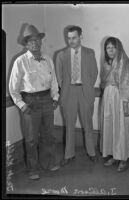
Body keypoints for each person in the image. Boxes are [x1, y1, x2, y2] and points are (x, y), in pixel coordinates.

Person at [9, 24, 60, 180]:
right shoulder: (20, 62)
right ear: (26, 44)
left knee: (49, 135)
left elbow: (54, 81)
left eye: (37, 39)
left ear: (41, 41)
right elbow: (13, 88)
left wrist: (55, 97)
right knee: (31, 139)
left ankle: (49, 163)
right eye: (31, 41)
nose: (35, 43)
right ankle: (33, 169)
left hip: (47, 100)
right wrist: (22, 105)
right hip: (30, 102)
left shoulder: (48, 60)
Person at [56, 26, 98, 165]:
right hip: (68, 93)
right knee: (69, 125)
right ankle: (69, 155)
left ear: (81, 36)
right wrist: (69, 87)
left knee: (88, 124)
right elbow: (59, 77)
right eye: (68, 38)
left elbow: (94, 74)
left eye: (74, 37)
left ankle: (91, 152)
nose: (71, 41)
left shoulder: (89, 53)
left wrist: (85, 86)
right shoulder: (61, 55)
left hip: (85, 92)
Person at [100, 37, 129, 172]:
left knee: (121, 126)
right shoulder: (106, 62)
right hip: (109, 96)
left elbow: (127, 83)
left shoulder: (124, 62)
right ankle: (114, 155)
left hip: (121, 97)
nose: (110, 50)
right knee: (111, 125)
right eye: (108, 48)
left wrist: (125, 103)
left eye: (113, 47)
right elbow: (104, 81)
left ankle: (123, 158)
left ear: (119, 48)